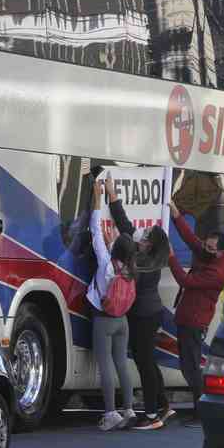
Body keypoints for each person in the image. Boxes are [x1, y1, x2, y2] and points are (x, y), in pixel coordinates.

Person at [105, 174, 175, 430]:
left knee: (144, 362)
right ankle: (163, 404)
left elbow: (126, 268)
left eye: (144, 238)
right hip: (150, 313)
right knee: (148, 359)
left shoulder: (144, 263)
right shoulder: (152, 257)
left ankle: (152, 415)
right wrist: (113, 195)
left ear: (150, 245)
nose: (140, 239)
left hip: (144, 316)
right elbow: (125, 225)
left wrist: (107, 244)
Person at [167, 201, 224, 427]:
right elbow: (191, 239)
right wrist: (175, 214)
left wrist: (171, 258)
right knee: (188, 365)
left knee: (191, 368)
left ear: (222, 252)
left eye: (212, 248)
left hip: (194, 322)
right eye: (207, 245)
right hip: (187, 318)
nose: (206, 248)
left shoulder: (217, 271)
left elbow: (186, 280)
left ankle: (201, 411)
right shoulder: (209, 254)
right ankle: (200, 408)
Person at [86, 179, 136, 431]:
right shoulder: (130, 268)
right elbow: (118, 250)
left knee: (105, 364)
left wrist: (97, 198)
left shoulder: (106, 262)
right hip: (122, 321)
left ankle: (110, 413)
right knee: (121, 363)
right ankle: (128, 408)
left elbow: (94, 228)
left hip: (103, 319)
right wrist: (112, 242)